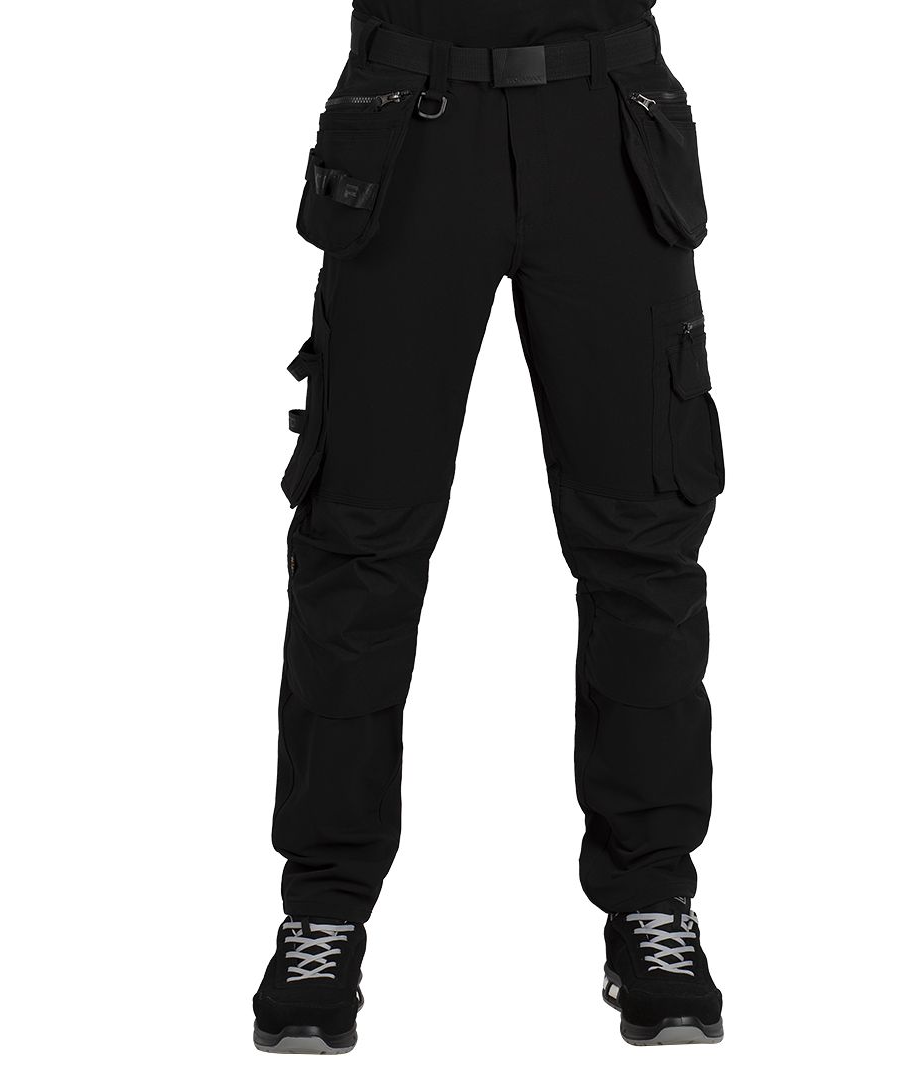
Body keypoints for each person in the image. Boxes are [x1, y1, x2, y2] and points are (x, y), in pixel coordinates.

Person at [253, 0, 725, 1051]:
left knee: (644, 539)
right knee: (357, 538)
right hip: (407, 116)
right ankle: (323, 908)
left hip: (608, 119)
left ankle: (653, 900)